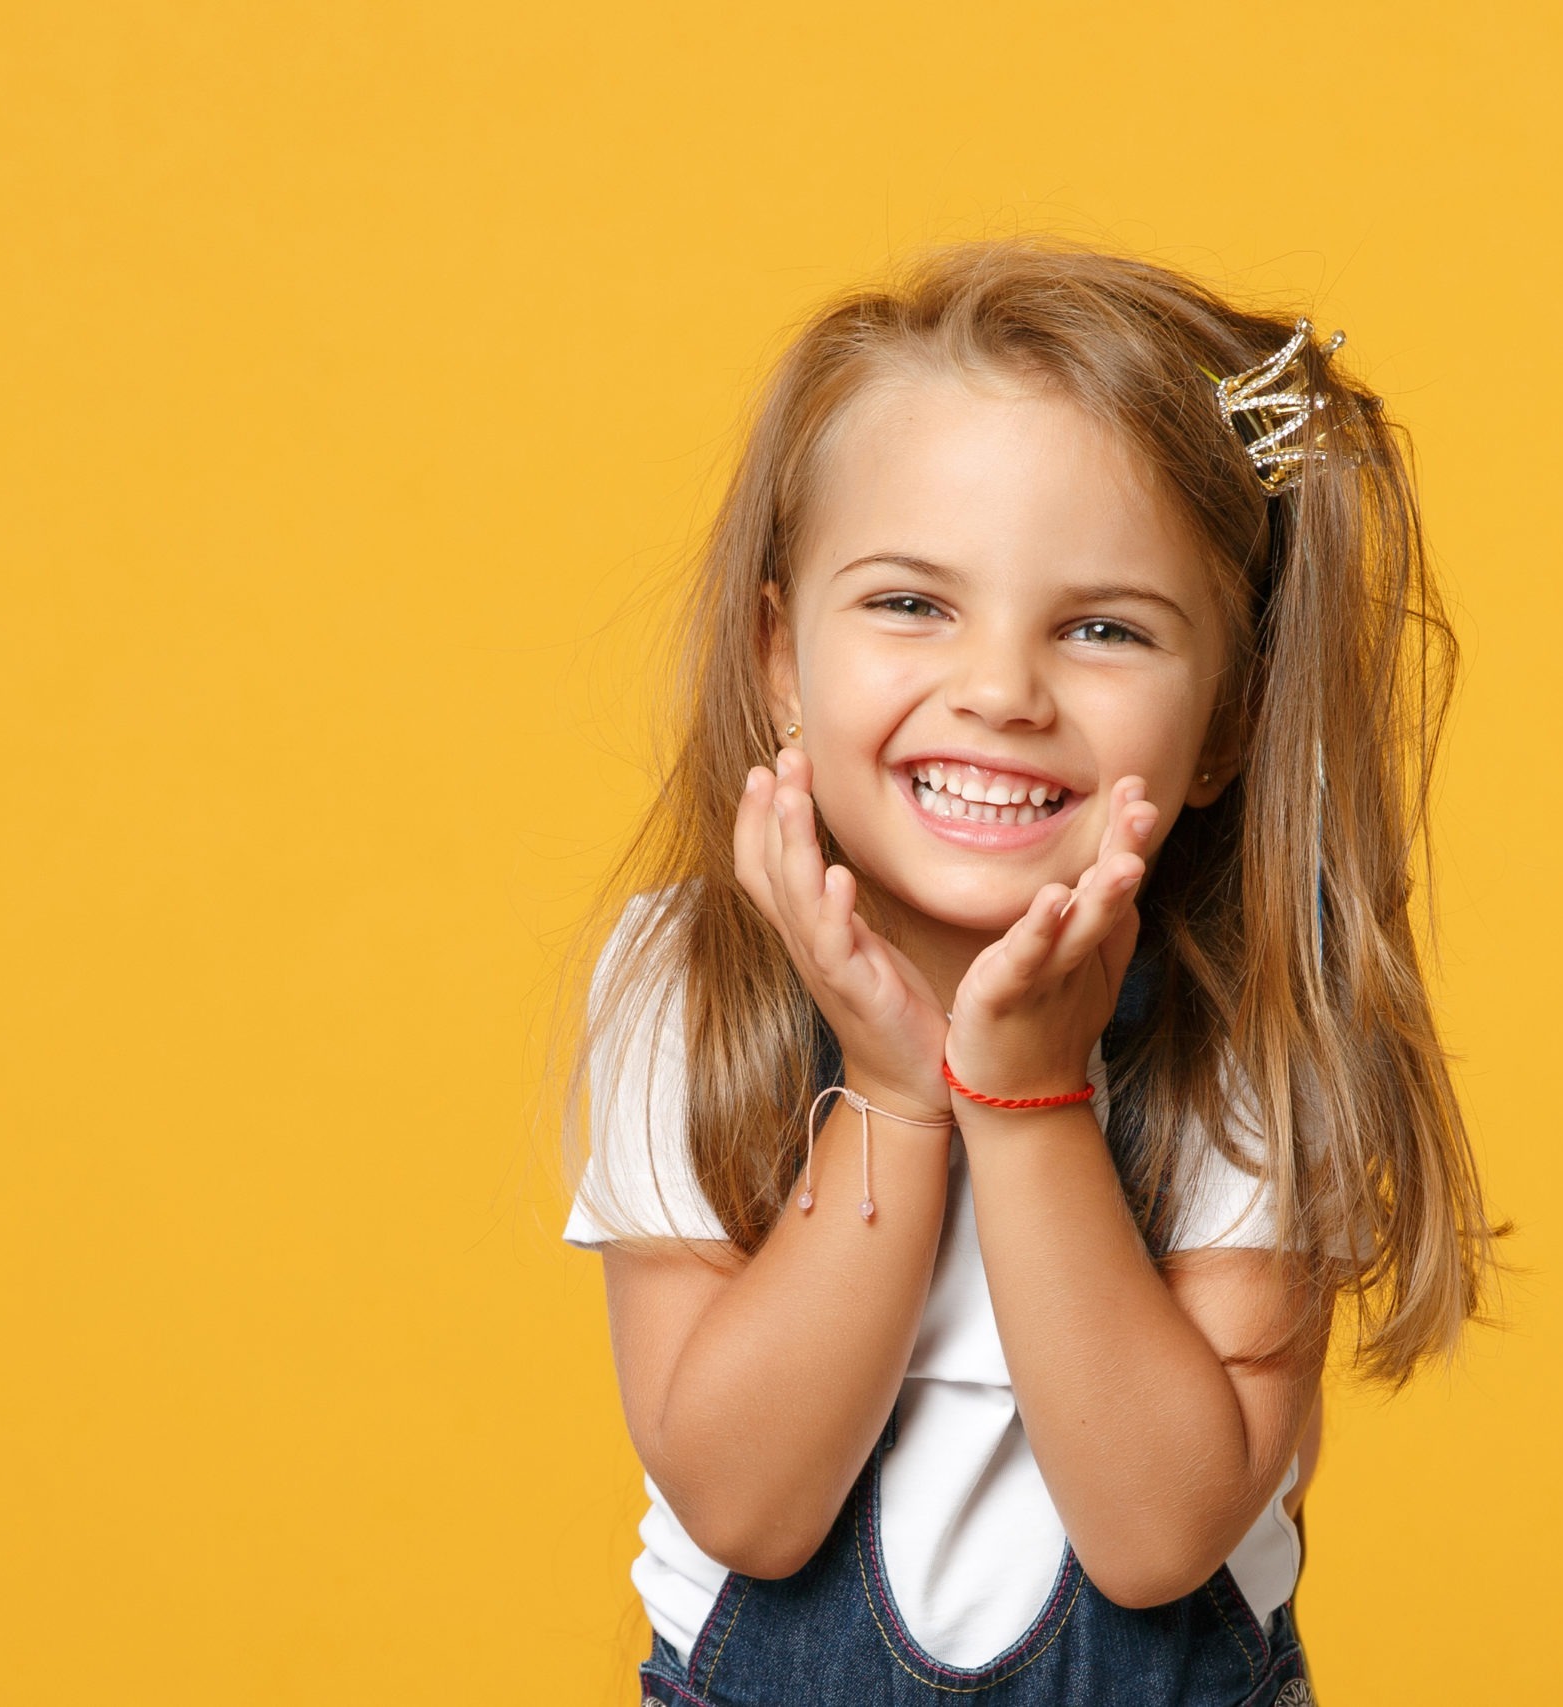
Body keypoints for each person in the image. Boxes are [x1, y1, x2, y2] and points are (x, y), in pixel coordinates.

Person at [561, 240, 1497, 1705]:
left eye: (1103, 628)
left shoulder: (1252, 1026)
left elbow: (1159, 1536)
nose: (1001, 691)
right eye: (911, 604)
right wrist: (893, 1090)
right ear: (779, 658)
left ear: (1230, 721)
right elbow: (743, 1506)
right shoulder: (685, 985)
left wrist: (1030, 1098)